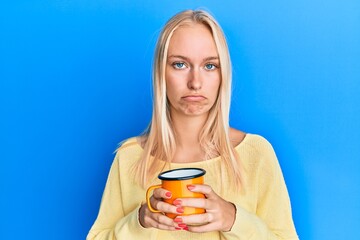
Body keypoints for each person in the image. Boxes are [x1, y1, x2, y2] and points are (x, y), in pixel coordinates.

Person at [86, 9, 299, 240]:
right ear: (161, 73)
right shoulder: (130, 157)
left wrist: (233, 219)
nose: (195, 82)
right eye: (180, 64)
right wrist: (139, 221)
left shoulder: (256, 153)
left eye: (209, 66)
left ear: (222, 74)